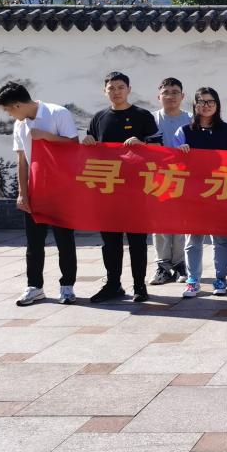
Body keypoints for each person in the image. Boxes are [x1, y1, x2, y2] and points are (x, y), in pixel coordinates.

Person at [0, 82, 80, 307]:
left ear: (17, 105)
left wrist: (47, 137)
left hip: (61, 188)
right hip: (35, 188)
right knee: (34, 242)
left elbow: (74, 146)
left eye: (9, 110)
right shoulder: (20, 124)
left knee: (64, 240)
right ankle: (34, 287)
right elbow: (21, 161)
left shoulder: (57, 113)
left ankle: (67, 286)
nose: (9, 114)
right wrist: (22, 193)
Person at [82, 71, 158, 304]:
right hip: (107, 189)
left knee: (137, 241)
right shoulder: (99, 118)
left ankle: (139, 286)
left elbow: (160, 149)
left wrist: (142, 144)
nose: (116, 92)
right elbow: (91, 150)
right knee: (110, 241)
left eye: (120, 87)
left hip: (136, 189)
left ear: (129, 89)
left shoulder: (143, 116)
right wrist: (87, 142)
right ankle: (113, 284)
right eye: (111, 88)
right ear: (105, 91)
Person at [173, 87, 227, 298]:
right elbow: (173, 162)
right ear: (195, 105)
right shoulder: (184, 131)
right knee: (193, 239)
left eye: (211, 101)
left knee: (221, 239)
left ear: (217, 105)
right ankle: (193, 280)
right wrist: (180, 153)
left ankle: (220, 278)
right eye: (202, 101)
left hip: (220, 192)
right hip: (193, 194)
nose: (206, 105)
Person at [149, 78, 191, 286]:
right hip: (158, 178)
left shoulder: (191, 119)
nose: (171, 96)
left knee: (182, 222)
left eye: (175, 92)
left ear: (182, 96)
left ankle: (181, 264)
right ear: (159, 96)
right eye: (166, 92)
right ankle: (163, 266)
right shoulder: (151, 119)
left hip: (185, 178)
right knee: (160, 224)